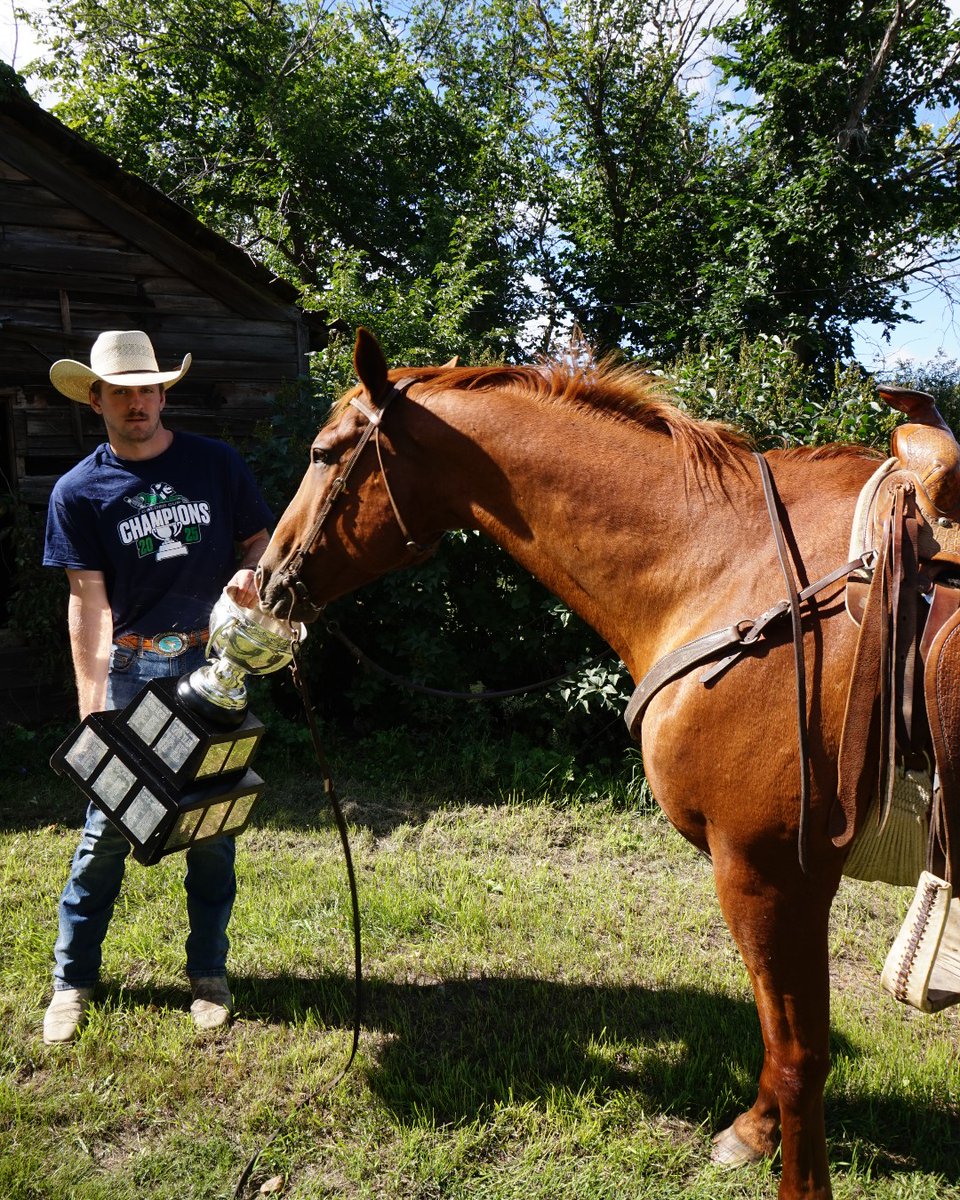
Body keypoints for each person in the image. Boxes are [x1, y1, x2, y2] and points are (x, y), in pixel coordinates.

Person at [41, 330, 273, 1044]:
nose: (136, 402)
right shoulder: (78, 490)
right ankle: (71, 982)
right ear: (97, 399)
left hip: (215, 670)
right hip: (133, 674)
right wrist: (91, 707)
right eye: (121, 391)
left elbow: (261, 543)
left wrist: (252, 576)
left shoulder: (216, 464)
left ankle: (207, 974)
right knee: (104, 833)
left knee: (212, 827)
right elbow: (88, 600)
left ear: (164, 394)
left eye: (148, 388)